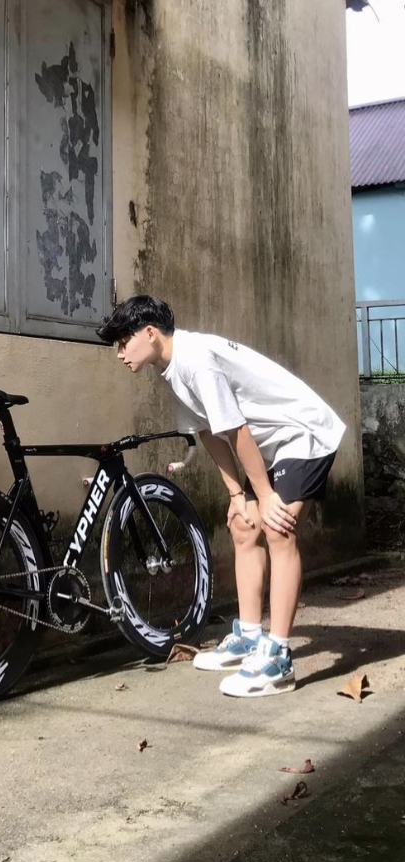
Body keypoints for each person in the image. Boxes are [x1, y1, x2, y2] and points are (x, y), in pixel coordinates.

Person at [97, 295, 345, 698]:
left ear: (150, 333)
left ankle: (279, 658)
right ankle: (250, 637)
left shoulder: (196, 360)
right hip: (270, 445)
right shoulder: (172, 369)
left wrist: (264, 495)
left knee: (278, 528)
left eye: (124, 343)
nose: (120, 354)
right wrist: (236, 495)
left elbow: (236, 430)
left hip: (302, 432)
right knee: (243, 526)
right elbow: (208, 432)